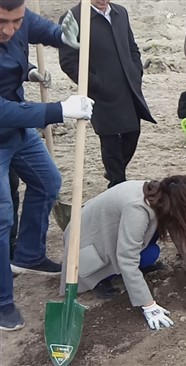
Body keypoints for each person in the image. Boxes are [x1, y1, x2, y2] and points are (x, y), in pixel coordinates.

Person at [0, 0, 93, 331]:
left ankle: (27, 255)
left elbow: (43, 30)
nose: (10, 29)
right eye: (2, 22)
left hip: (17, 131)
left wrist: (63, 36)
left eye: (16, 21)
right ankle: (2, 302)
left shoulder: (21, 20)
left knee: (47, 181)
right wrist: (60, 109)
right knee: (1, 215)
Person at [59, 176, 186, 331]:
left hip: (106, 234)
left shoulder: (159, 195)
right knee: (147, 255)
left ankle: (122, 274)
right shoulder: (137, 209)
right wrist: (149, 305)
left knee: (151, 253)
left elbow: (178, 232)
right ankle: (103, 277)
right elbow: (127, 259)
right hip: (84, 245)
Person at [59, 0, 157, 189]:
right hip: (100, 91)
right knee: (110, 137)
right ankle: (117, 183)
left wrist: (136, 71)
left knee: (133, 132)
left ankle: (115, 171)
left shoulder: (120, 12)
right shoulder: (75, 17)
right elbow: (68, 61)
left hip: (127, 86)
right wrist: (94, 83)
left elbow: (132, 46)